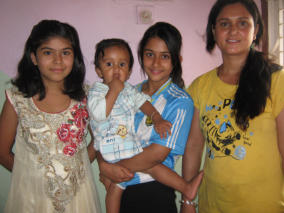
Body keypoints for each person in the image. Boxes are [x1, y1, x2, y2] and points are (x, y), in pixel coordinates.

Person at [182, 0, 284, 213]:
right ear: (214, 31)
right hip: (213, 204)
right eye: (225, 23)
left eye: (243, 23)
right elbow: (193, 147)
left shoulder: (276, 80)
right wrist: (187, 200)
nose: (233, 30)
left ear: (255, 30)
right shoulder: (201, 86)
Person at [93, 22, 202, 213]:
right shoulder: (128, 92)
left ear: (176, 60)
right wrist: (103, 164)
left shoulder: (180, 101)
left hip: (153, 191)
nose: (156, 63)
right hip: (122, 187)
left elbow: (157, 154)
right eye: (150, 54)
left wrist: (113, 168)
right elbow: (103, 127)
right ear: (142, 57)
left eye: (165, 56)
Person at [0, 20, 101, 213]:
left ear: (75, 57)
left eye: (65, 52)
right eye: (48, 52)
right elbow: (2, 151)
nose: (58, 60)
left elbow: (99, 139)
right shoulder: (17, 99)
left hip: (79, 197)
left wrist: (77, 171)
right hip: (31, 197)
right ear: (34, 57)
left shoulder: (87, 97)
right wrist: (32, 176)